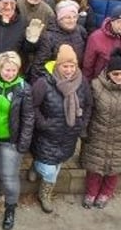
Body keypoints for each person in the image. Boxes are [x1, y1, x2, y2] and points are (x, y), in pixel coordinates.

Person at [27, 44, 93, 213]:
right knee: (49, 170)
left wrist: (81, 124)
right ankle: (44, 194)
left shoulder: (82, 82)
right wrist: (43, 123)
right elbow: (32, 106)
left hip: (68, 135)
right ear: (57, 65)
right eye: (65, 66)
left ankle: (38, 171)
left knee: (57, 164)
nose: (69, 70)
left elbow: (88, 105)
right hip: (47, 135)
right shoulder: (44, 83)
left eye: (72, 66)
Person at [80, 49, 121, 209]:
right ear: (108, 73)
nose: (119, 77)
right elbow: (88, 110)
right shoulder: (95, 86)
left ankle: (105, 193)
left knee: (114, 170)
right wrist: (83, 129)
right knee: (94, 168)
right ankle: (91, 192)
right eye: (116, 74)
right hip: (98, 134)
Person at [0, 52, 32, 230]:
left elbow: (28, 119)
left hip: (11, 141)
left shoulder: (23, 88)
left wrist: (22, 143)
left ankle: (10, 208)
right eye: (6, 70)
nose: (10, 73)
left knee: (9, 177)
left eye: (14, 70)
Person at [82, 5, 121, 81]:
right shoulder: (95, 37)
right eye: (120, 22)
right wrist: (87, 82)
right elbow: (88, 64)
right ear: (112, 22)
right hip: (102, 82)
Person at [32, 0, 87, 81]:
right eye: (67, 17)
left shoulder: (81, 31)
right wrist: (54, 81)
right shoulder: (49, 37)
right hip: (55, 80)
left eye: (74, 17)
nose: (72, 20)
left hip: (75, 78)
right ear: (59, 19)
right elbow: (39, 67)